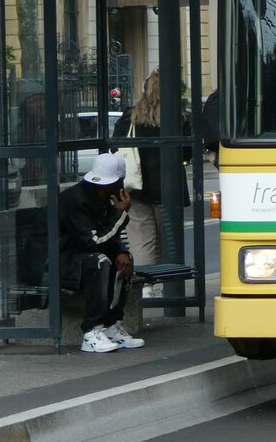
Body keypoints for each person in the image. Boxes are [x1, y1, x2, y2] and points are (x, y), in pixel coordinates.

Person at [58, 153, 145, 353]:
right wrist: (120, 213)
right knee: (99, 261)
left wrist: (121, 251)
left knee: (123, 260)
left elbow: (105, 236)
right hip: (56, 260)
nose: (103, 188)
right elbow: (93, 242)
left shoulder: (103, 197)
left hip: (76, 254)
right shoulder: (77, 201)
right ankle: (91, 331)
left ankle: (111, 325)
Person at [114, 71, 191, 284]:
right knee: (169, 242)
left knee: (141, 242)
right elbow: (187, 153)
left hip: (136, 189)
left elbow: (116, 147)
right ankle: (169, 285)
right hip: (169, 191)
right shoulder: (179, 118)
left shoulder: (130, 117)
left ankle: (146, 287)